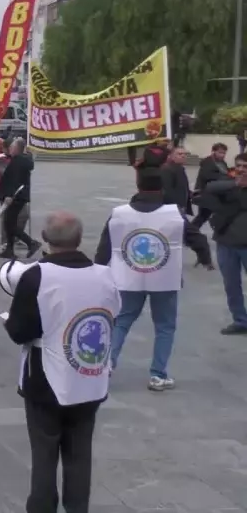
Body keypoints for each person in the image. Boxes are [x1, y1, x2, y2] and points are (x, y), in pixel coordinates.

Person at [4, 211, 120, 513]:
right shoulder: (105, 274)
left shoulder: (37, 275)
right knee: (80, 454)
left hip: (47, 378)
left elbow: (20, 332)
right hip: (89, 377)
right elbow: (110, 317)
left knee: (44, 454)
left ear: (44, 239)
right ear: (79, 239)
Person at [95, 168, 212, 391]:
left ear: (138, 185)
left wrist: (99, 270)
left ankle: (108, 363)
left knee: (121, 321)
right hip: (164, 279)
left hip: (128, 277)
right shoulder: (174, 213)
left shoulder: (119, 213)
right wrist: (204, 257)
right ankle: (158, 375)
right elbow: (197, 237)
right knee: (165, 326)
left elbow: (105, 246)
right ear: (162, 188)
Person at [199, 163, 247, 335]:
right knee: (231, 285)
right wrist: (236, 184)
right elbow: (210, 187)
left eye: (246, 166)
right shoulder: (229, 183)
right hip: (226, 243)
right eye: (239, 165)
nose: (241, 169)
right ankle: (240, 320)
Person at [0, 138, 42, 260]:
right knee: (9, 223)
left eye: (12, 147)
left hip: (16, 196)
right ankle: (9, 249)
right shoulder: (21, 159)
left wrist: (9, 195)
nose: (10, 149)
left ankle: (31, 243)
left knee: (10, 224)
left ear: (17, 148)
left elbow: (15, 180)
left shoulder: (19, 160)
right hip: (19, 195)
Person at [192, 142, 230, 230]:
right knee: (203, 216)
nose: (222, 155)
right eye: (220, 152)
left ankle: (190, 231)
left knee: (205, 215)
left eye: (224, 153)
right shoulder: (207, 162)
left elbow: (226, 172)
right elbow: (207, 175)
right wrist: (225, 177)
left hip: (217, 194)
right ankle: (190, 232)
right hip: (206, 193)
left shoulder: (222, 163)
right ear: (213, 151)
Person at [160, 145, 192, 215]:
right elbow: (167, 190)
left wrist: (190, 193)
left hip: (180, 206)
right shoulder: (167, 169)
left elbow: (181, 187)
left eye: (185, 154)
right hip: (173, 208)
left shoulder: (179, 168)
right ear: (171, 156)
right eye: (179, 154)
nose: (183, 156)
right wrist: (175, 207)